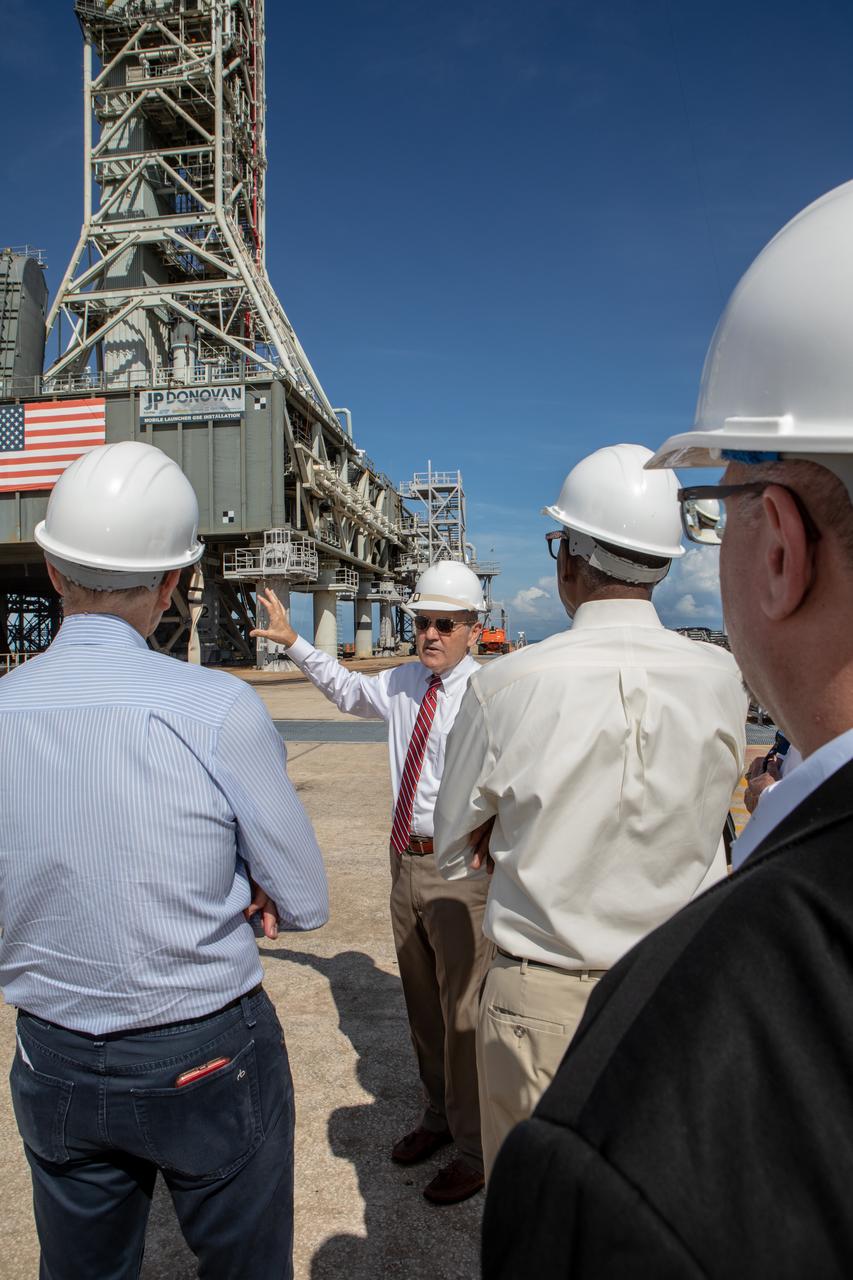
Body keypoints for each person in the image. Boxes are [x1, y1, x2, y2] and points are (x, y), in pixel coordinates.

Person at [482, 180, 853, 1277]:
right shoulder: (705, 683)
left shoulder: (642, 1131)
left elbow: (460, 831)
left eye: (722, 504)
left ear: (778, 546)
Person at [2, 441, 328, 1280]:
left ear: (49, 567)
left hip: (53, 1053)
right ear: (176, 581)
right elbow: (305, 899)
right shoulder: (216, 706)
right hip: (205, 1051)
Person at [433, 442, 747, 1177]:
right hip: (676, 991)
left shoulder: (505, 685)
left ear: (566, 558)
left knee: (537, 1221)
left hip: (541, 998)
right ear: (664, 563)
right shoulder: (723, 677)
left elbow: (450, 849)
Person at [252, 561, 491, 1204]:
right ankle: (438, 1119)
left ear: (474, 628)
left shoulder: (490, 696)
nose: (430, 634)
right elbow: (344, 689)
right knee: (421, 1005)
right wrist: (296, 641)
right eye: (422, 622)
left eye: (445, 623)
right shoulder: (404, 683)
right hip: (403, 863)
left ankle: (474, 1149)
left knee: (464, 1013)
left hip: (460, 870)